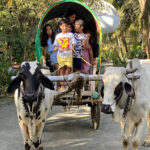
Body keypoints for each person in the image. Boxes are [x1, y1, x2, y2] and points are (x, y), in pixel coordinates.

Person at [53, 19, 76, 90]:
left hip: (68, 55)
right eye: (63, 26)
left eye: (66, 26)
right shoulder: (58, 36)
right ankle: (62, 85)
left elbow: (74, 43)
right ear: (60, 27)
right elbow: (55, 44)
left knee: (68, 69)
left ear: (68, 26)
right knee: (61, 69)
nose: (64, 28)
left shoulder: (70, 35)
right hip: (60, 56)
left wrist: (72, 47)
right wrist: (55, 48)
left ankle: (67, 85)